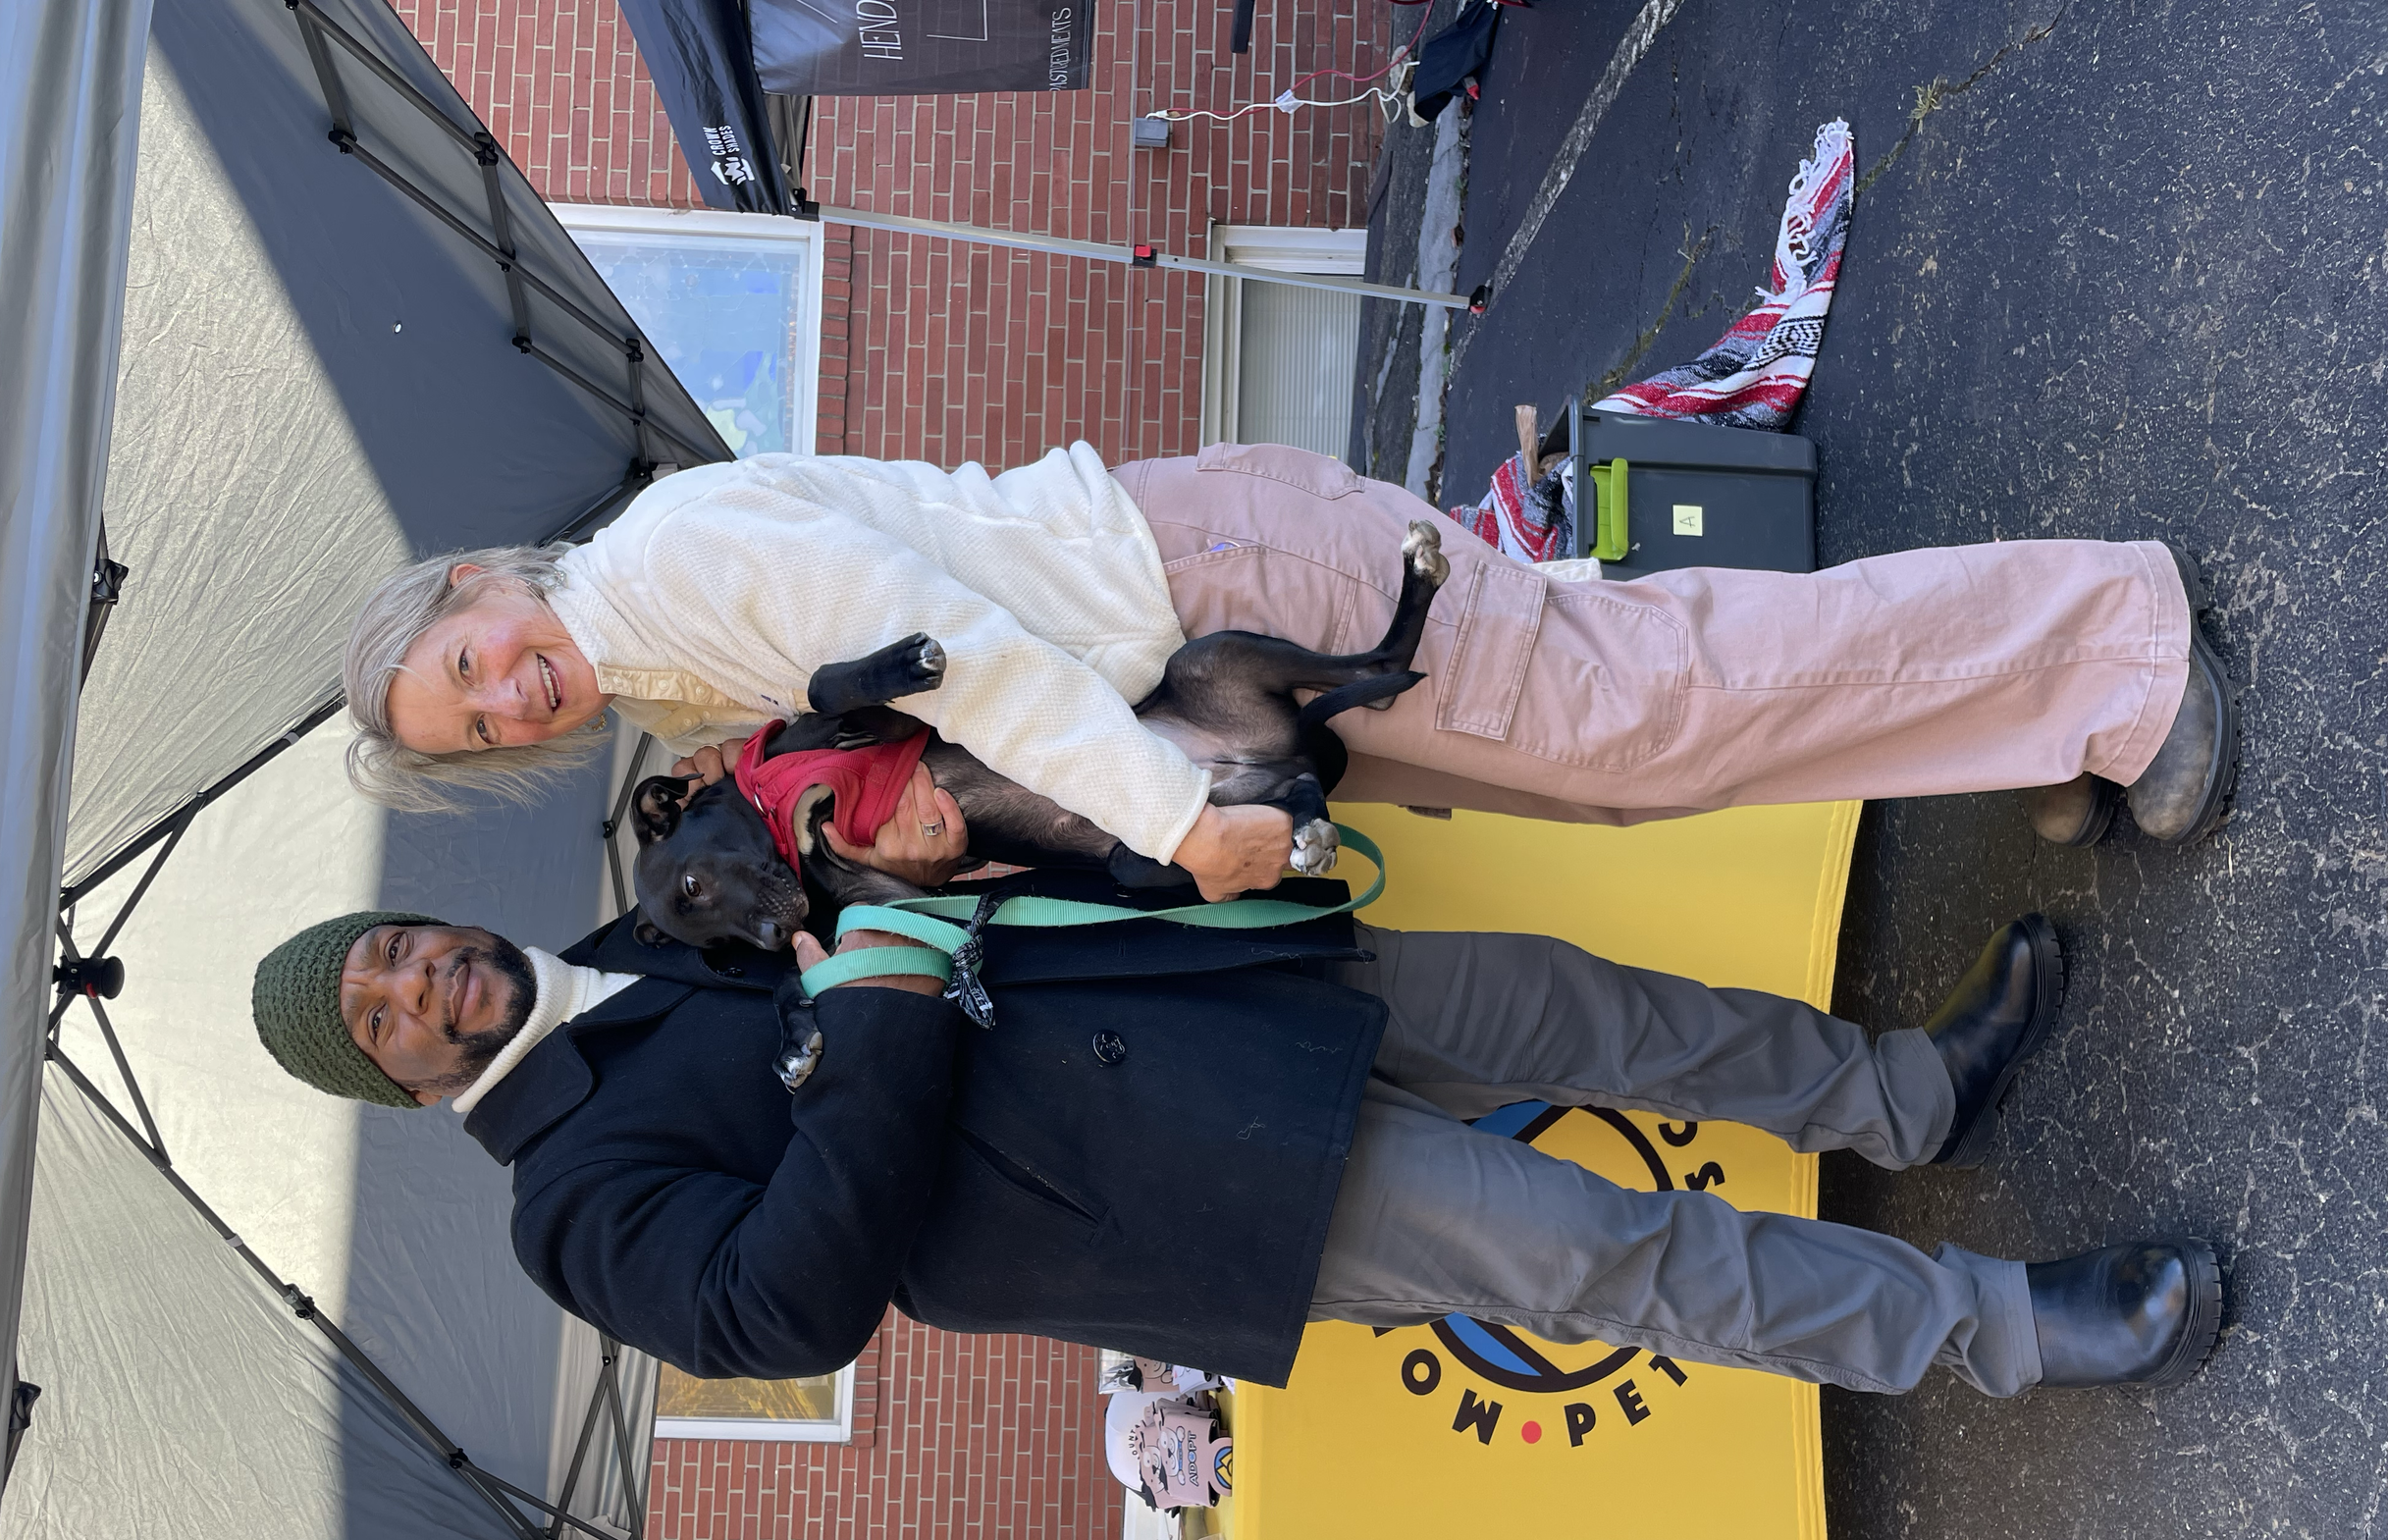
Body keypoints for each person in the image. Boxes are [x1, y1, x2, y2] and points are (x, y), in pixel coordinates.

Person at [248, 889, 2222, 1399]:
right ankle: (2010, 1324)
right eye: (382, 1012)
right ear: (408, 1082)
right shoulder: (567, 1209)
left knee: (1582, 1006)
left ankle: (1902, 1095)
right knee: (1612, 1257)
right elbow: (786, 1304)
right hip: (1180, 1190)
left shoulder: (624, 928)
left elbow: (887, 878)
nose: (416, 978)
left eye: (395, 948)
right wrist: (867, 1014)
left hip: (1207, 996)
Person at [337, 444, 2241, 902]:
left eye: (474, 656)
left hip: (1234, 598)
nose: (513, 692)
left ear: (482, 584)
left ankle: (2113, 647)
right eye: (482, 720)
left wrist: (1178, 825)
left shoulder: (664, 563)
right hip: (1211, 642)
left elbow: (959, 655)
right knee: (1620, 763)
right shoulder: (664, 661)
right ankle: (2023, 713)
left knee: (1650, 701)